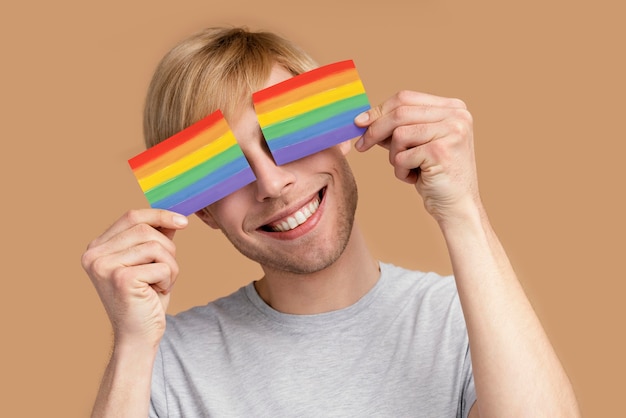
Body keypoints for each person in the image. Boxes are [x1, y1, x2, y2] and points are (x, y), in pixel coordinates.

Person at [81, 26, 580, 417]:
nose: (272, 183)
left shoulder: (468, 318)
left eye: (283, 136)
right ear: (203, 208)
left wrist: (463, 209)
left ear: (341, 128)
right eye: (224, 169)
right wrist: (131, 345)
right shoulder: (165, 362)